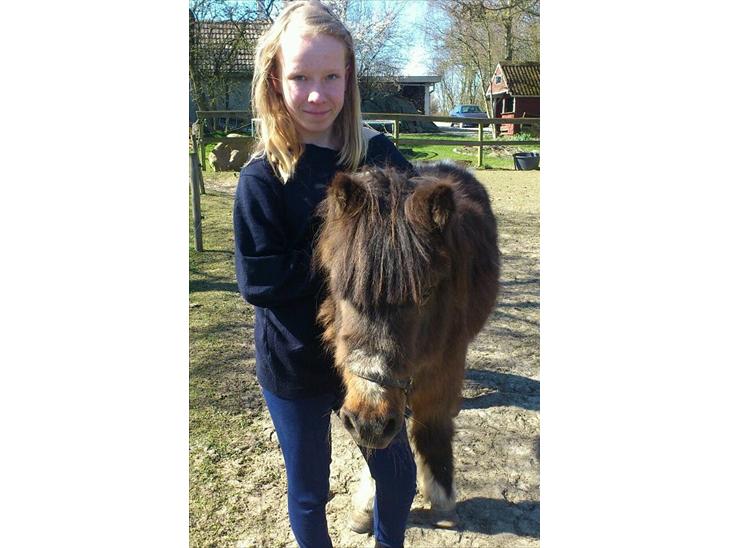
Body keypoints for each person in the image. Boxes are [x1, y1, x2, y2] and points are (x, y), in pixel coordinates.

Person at [232, 2, 417, 547]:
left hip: (373, 360)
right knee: (310, 490)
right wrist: (347, 259)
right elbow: (259, 281)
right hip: (295, 364)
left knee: (398, 477)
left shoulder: (379, 156)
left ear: (349, 76)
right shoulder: (263, 178)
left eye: (331, 77)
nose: (317, 95)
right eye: (300, 77)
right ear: (275, 78)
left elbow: (417, 241)